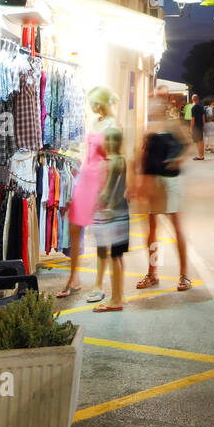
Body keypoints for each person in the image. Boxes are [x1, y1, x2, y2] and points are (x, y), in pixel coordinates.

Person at [56, 85, 113, 300]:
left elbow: (112, 160)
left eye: (93, 102)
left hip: (101, 179)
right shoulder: (96, 122)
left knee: (100, 233)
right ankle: (74, 278)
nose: (91, 106)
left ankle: (99, 284)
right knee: (74, 226)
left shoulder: (112, 126)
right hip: (86, 177)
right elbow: (89, 154)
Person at [131, 95, 191, 292]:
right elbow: (141, 155)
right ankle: (152, 272)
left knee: (176, 228)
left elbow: (187, 144)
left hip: (170, 182)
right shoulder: (148, 128)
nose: (153, 109)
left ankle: (184, 275)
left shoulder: (172, 126)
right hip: (151, 183)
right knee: (151, 231)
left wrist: (178, 160)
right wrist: (137, 182)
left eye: (157, 106)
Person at [89, 118, 129, 312]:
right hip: (123, 212)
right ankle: (118, 295)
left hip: (112, 215)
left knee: (113, 258)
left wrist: (96, 203)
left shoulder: (109, 163)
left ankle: (115, 300)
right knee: (119, 257)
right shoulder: (122, 160)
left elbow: (107, 191)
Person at [190, 92, 205, 160]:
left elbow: (193, 119)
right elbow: (203, 116)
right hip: (201, 126)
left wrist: (191, 128)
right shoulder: (201, 107)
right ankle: (202, 155)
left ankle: (200, 156)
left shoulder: (193, 108)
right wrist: (203, 125)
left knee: (198, 142)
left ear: (193, 99)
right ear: (198, 99)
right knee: (201, 141)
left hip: (196, 126)